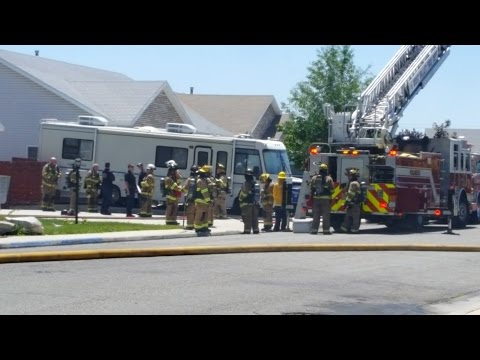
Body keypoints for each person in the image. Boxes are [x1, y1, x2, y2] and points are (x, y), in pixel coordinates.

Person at [310, 163, 334, 235]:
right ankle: (326, 230)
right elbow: (332, 190)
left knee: (316, 215)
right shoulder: (329, 179)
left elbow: (311, 189)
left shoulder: (314, 178)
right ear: (326, 170)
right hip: (325, 200)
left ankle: (314, 230)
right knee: (325, 215)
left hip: (316, 199)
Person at [340, 169, 362, 233]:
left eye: (349, 175)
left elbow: (351, 194)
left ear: (353, 176)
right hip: (352, 203)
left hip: (355, 203)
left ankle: (355, 229)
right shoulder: (351, 182)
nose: (348, 177)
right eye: (348, 175)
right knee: (348, 216)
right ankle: (345, 228)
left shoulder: (354, 183)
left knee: (355, 217)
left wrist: (347, 202)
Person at [239, 168, 259, 234]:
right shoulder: (255, 183)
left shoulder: (246, 184)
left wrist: (243, 199)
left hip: (247, 203)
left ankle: (247, 230)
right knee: (254, 218)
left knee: (247, 217)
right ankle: (256, 229)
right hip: (254, 204)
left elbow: (244, 193)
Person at [164, 160, 183, 225]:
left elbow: (179, 180)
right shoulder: (168, 178)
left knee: (175, 208)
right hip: (170, 195)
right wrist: (182, 189)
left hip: (174, 195)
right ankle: (169, 221)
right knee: (170, 207)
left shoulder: (174, 177)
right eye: (175, 170)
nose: (176, 171)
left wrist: (178, 175)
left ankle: (173, 220)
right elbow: (175, 187)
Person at [194, 166, 211, 235]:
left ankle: (204, 227)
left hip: (203, 200)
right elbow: (204, 191)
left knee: (205, 214)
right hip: (200, 200)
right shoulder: (201, 181)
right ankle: (198, 228)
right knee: (200, 214)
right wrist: (208, 200)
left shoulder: (204, 180)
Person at [182, 165, 198, 230]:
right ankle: (195, 225)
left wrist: (181, 189)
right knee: (196, 212)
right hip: (198, 199)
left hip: (190, 199)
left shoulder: (189, 179)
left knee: (190, 212)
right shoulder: (199, 179)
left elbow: (185, 189)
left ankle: (190, 226)